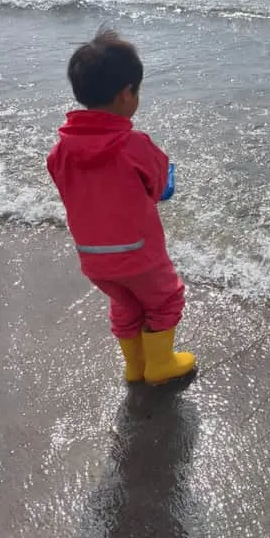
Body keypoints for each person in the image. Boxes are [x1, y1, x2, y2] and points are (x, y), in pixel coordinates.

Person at [47, 29, 196, 385]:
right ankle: (160, 366)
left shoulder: (59, 152)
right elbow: (159, 187)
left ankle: (135, 367)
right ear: (126, 94)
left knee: (126, 304)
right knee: (164, 299)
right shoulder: (134, 144)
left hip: (93, 258)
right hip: (140, 254)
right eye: (137, 92)